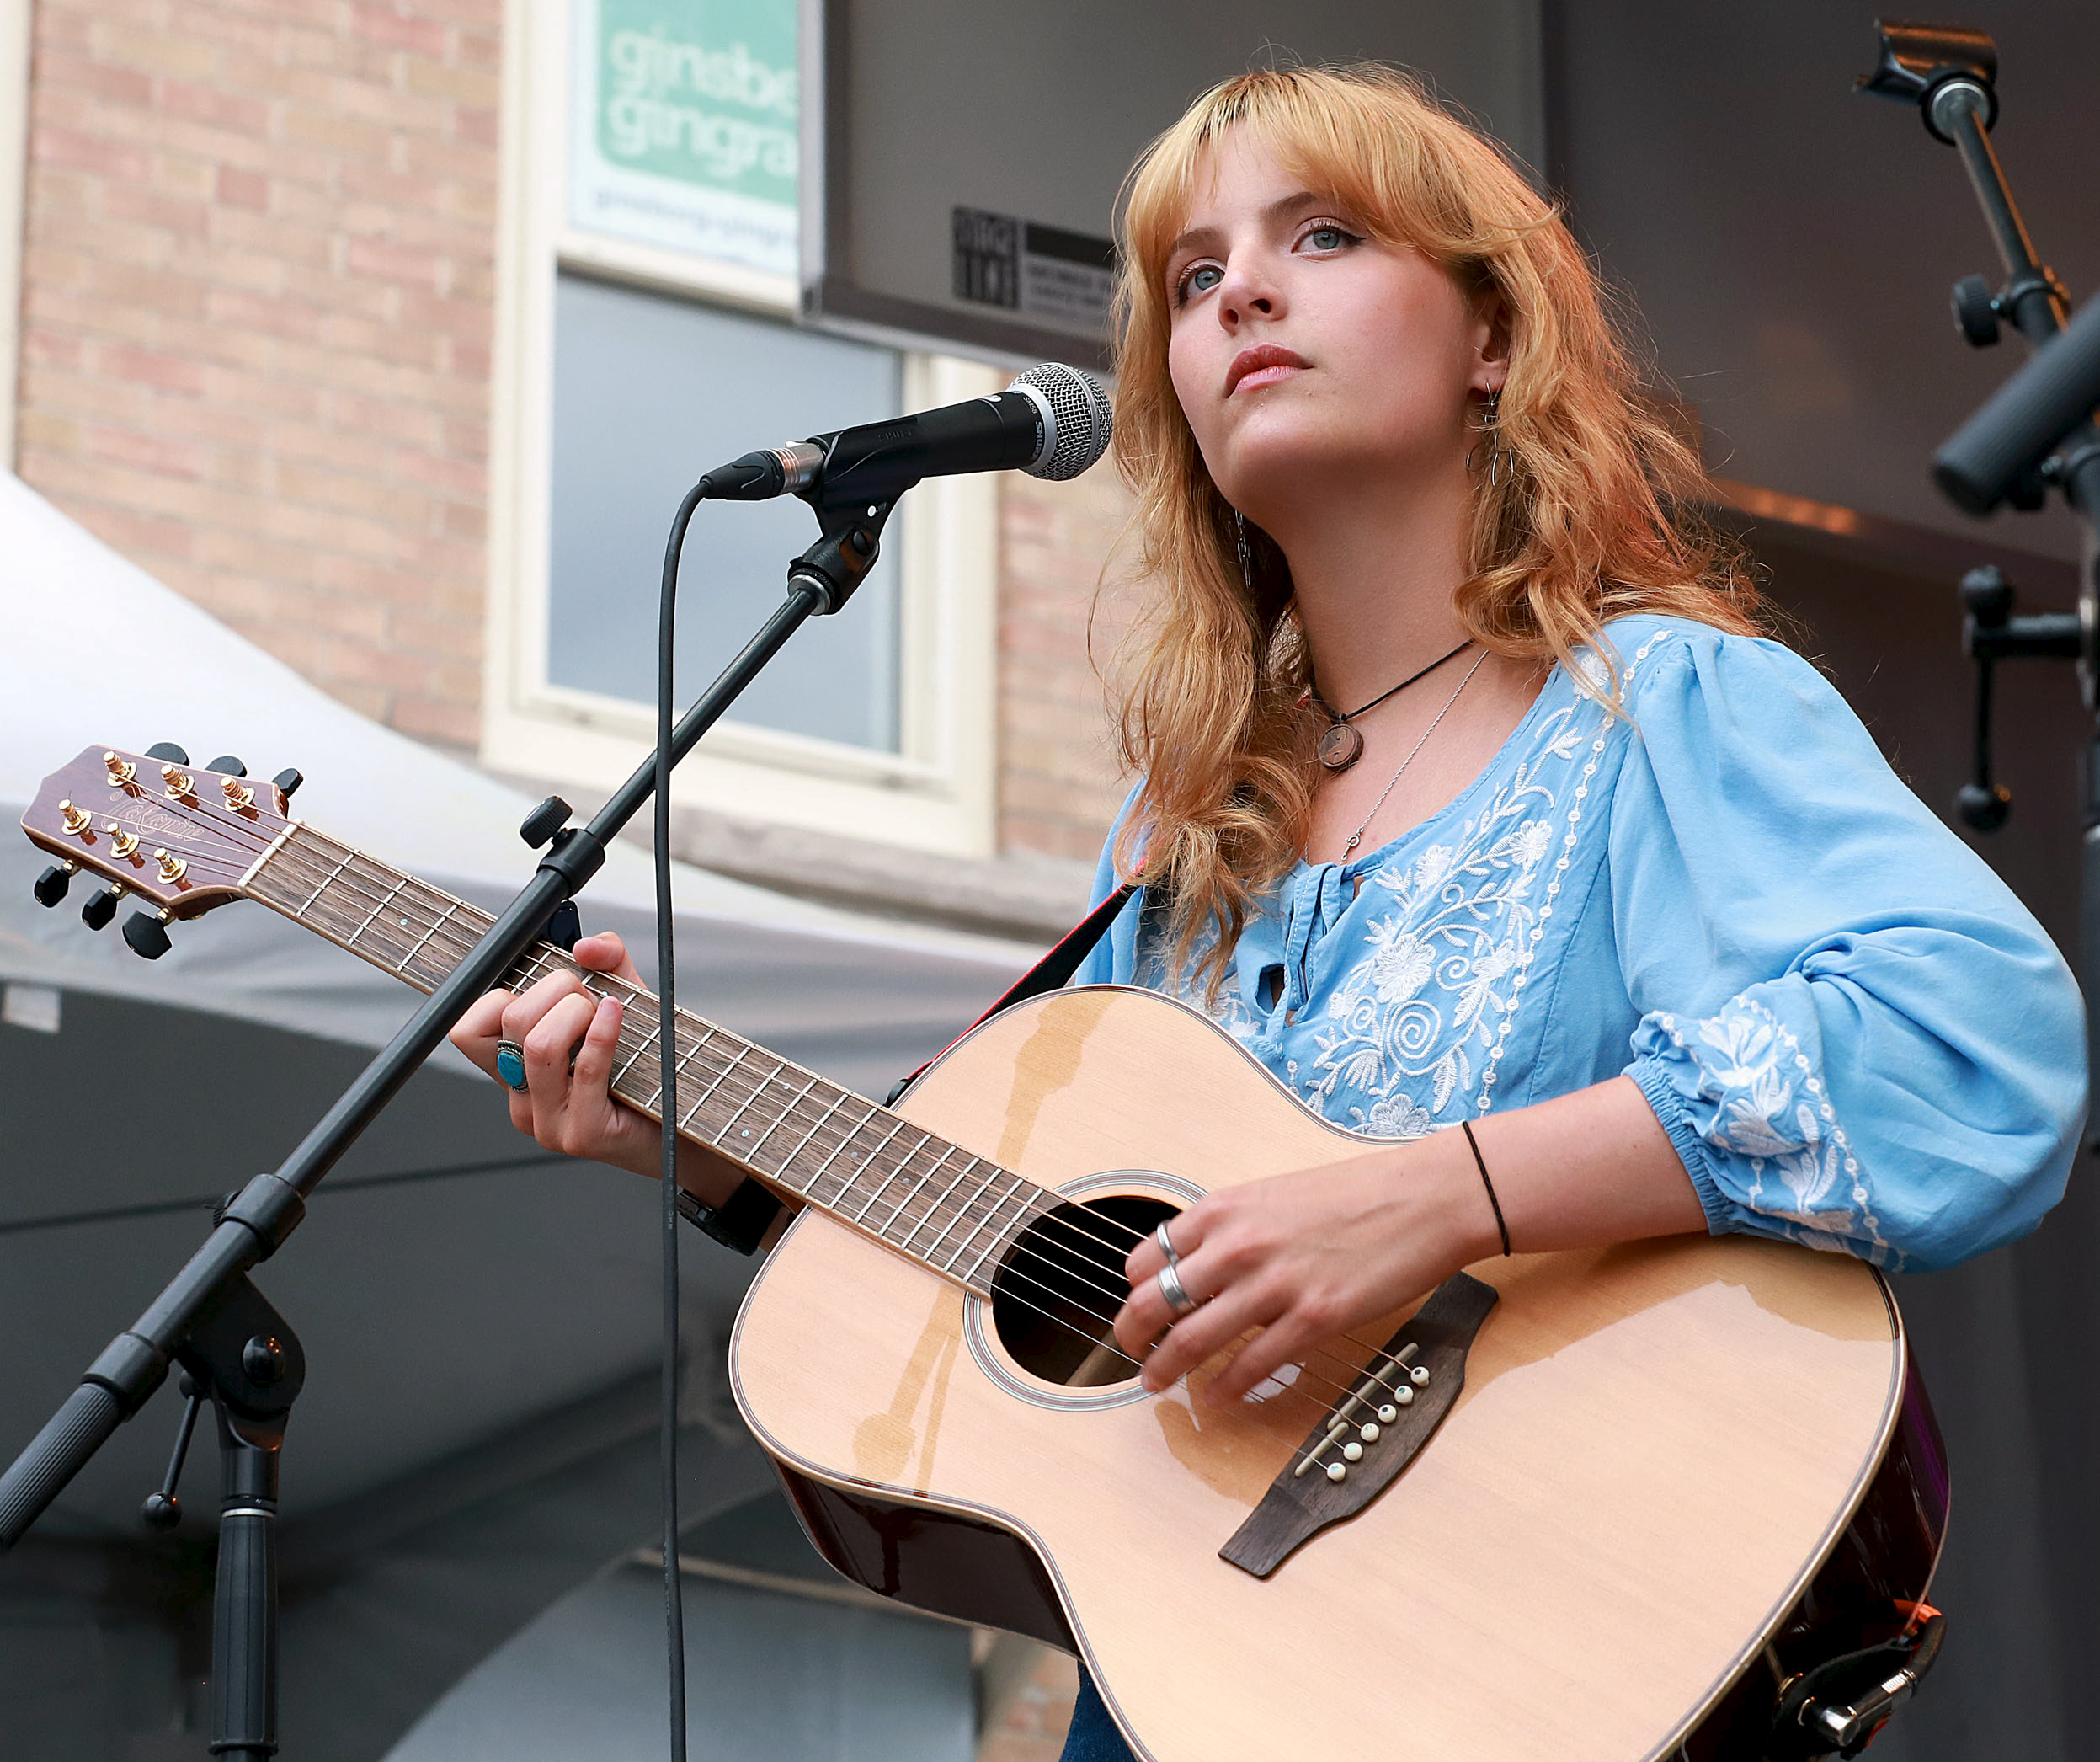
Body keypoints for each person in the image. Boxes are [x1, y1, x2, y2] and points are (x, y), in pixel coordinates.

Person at [451, 63, 2084, 1762]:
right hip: (1204, 1679)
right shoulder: (1177, 842)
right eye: (1188, 275)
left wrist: (1437, 1197)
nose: (1238, 287)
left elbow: (1969, 1039)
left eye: (1319, 235)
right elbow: (1076, 1280)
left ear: (1490, 338)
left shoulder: (1658, 707)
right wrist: (705, 1147)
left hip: (1536, 1643)